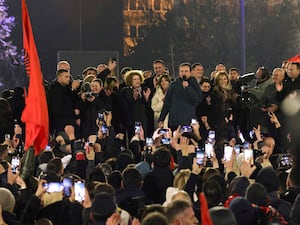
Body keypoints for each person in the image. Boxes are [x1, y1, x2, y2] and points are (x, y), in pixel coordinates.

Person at [158, 62, 202, 131]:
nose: (183, 73)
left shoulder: (194, 84)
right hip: (174, 121)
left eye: (186, 71)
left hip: (188, 121)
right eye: (181, 71)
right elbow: (167, 103)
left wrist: (188, 88)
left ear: (190, 72)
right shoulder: (173, 85)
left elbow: (198, 99)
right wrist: (161, 119)